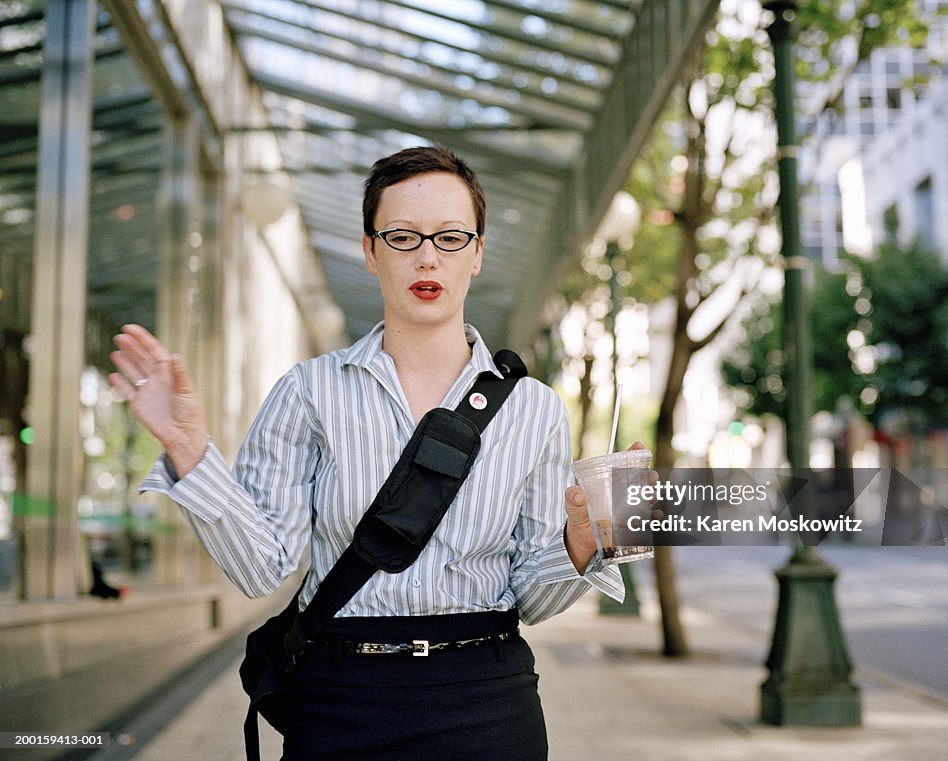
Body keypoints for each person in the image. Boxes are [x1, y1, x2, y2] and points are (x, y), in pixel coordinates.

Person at [109, 145, 633, 760]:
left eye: (451, 237)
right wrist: (190, 450)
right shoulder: (308, 391)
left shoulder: (535, 409)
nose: (428, 256)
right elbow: (259, 570)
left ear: (479, 254)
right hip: (340, 701)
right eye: (403, 237)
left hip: (487, 702)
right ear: (370, 252)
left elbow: (533, 601)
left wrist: (579, 546)